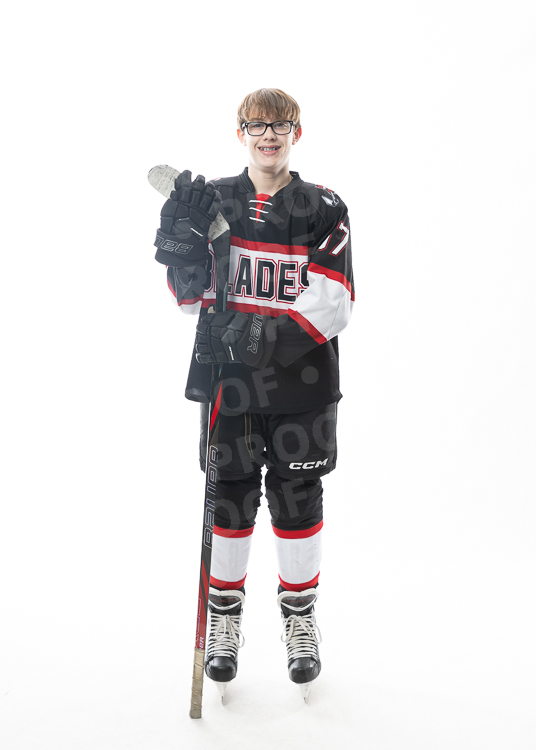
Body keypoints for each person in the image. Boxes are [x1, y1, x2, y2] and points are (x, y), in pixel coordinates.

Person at [153, 88, 354, 701]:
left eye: (280, 124)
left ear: (297, 132)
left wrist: (258, 332)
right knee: (231, 497)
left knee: (298, 498)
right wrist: (183, 255)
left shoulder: (324, 206)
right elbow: (193, 302)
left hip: (304, 385)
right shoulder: (215, 200)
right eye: (257, 125)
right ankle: (224, 622)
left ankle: (299, 619)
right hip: (229, 386)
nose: (269, 134)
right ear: (240, 132)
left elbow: (334, 302)